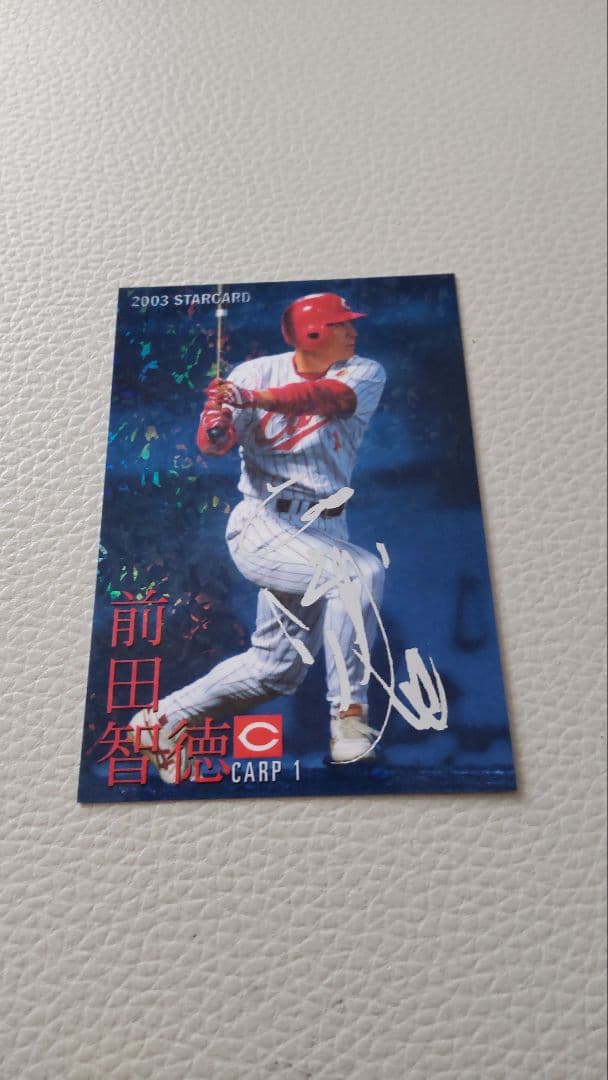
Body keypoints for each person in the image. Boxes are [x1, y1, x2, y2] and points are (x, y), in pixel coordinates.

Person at [130, 292, 387, 781]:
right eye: (341, 324)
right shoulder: (252, 373)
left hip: (325, 527)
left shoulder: (363, 372)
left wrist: (250, 400)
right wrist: (216, 425)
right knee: (358, 574)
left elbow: (332, 400)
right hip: (265, 522)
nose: (353, 331)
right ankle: (349, 720)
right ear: (313, 332)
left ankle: (160, 722)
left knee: (274, 670)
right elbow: (215, 447)